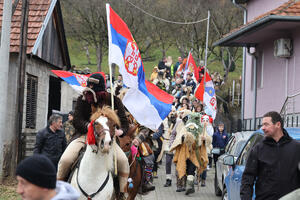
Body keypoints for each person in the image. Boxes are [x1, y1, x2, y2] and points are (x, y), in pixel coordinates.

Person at [57, 73, 130, 198]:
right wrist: (90, 127)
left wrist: (120, 131)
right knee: (65, 160)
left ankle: (122, 193)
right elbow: (77, 120)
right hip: (84, 136)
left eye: (93, 88)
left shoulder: (114, 100)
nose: (89, 92)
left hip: (108, 138)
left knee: (123, 162)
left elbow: (124, 122)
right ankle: (59, 191)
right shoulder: (83, 99)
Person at [241, 111, 300, 200]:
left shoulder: (296, 147)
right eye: (262, 125)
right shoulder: (258, 149)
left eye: (266, 124)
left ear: (278, 124)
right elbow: (248, 178)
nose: (263, 128)